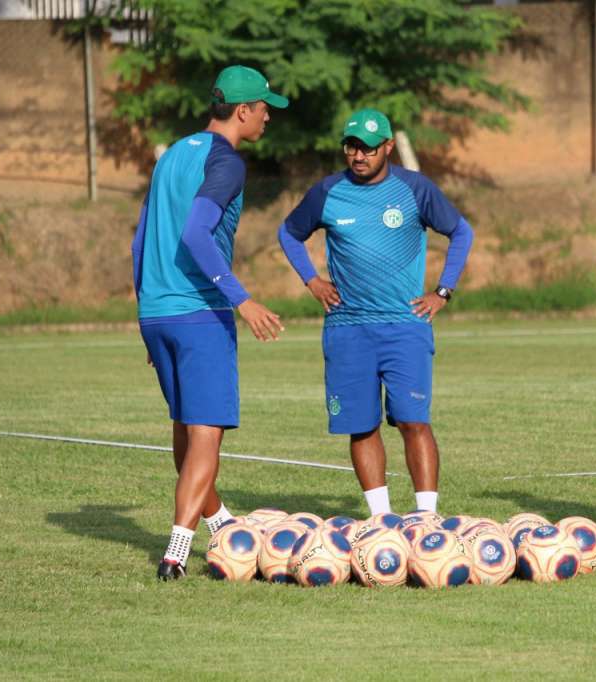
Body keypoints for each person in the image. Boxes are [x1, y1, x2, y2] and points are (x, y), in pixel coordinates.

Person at [131, 65, 287, 580]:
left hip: (158, 312)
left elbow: (139, 242)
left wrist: (145, 315)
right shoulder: (227, 161)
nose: (268, 115)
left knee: (186, 425)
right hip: (199, 310)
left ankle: (219, 522)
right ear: (242, 111)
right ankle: (176, 552)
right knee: (206, 433)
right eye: (264, 107)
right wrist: (243, 301)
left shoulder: (173, 153)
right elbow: (198, 234)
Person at [277, 108, 474, 516]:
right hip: (347, 328)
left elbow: (461, 231)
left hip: (405, 326)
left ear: (387, 147)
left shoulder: (415, 188)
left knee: (412, 421)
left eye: (368, 147)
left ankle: (426, 517)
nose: (358, 155)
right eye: (351, 146)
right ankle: (381, 519)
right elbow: (289, 232)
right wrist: (312, 281)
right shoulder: (327, 192)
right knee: (361, 425)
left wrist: (442, 291)